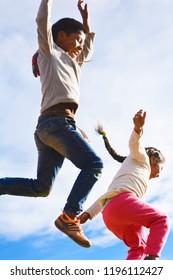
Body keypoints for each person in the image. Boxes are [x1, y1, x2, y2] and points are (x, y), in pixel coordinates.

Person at [0, 0, 103, 248]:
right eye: (76, 39)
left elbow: (88, 47)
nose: (80, 45)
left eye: (82, 41)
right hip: (55, 124)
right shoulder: (50, 53)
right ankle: (69, 217)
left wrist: (86, 21)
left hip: (50, 127)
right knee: (94, 165)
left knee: (42, 187)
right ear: (61, 36)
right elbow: (42, 23)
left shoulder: (74, 63)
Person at [79, 110, 169, 259]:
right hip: (122, 204)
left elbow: (106, 197)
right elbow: (135, 145)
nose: (159, 174)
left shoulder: (129, 172)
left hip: (110, 215)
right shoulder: (142, 159)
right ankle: (152, 258)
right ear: (153, 159)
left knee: (139, 247)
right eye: (161, 168)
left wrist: (87, 215)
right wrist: (138, 129)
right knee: (160, 220)